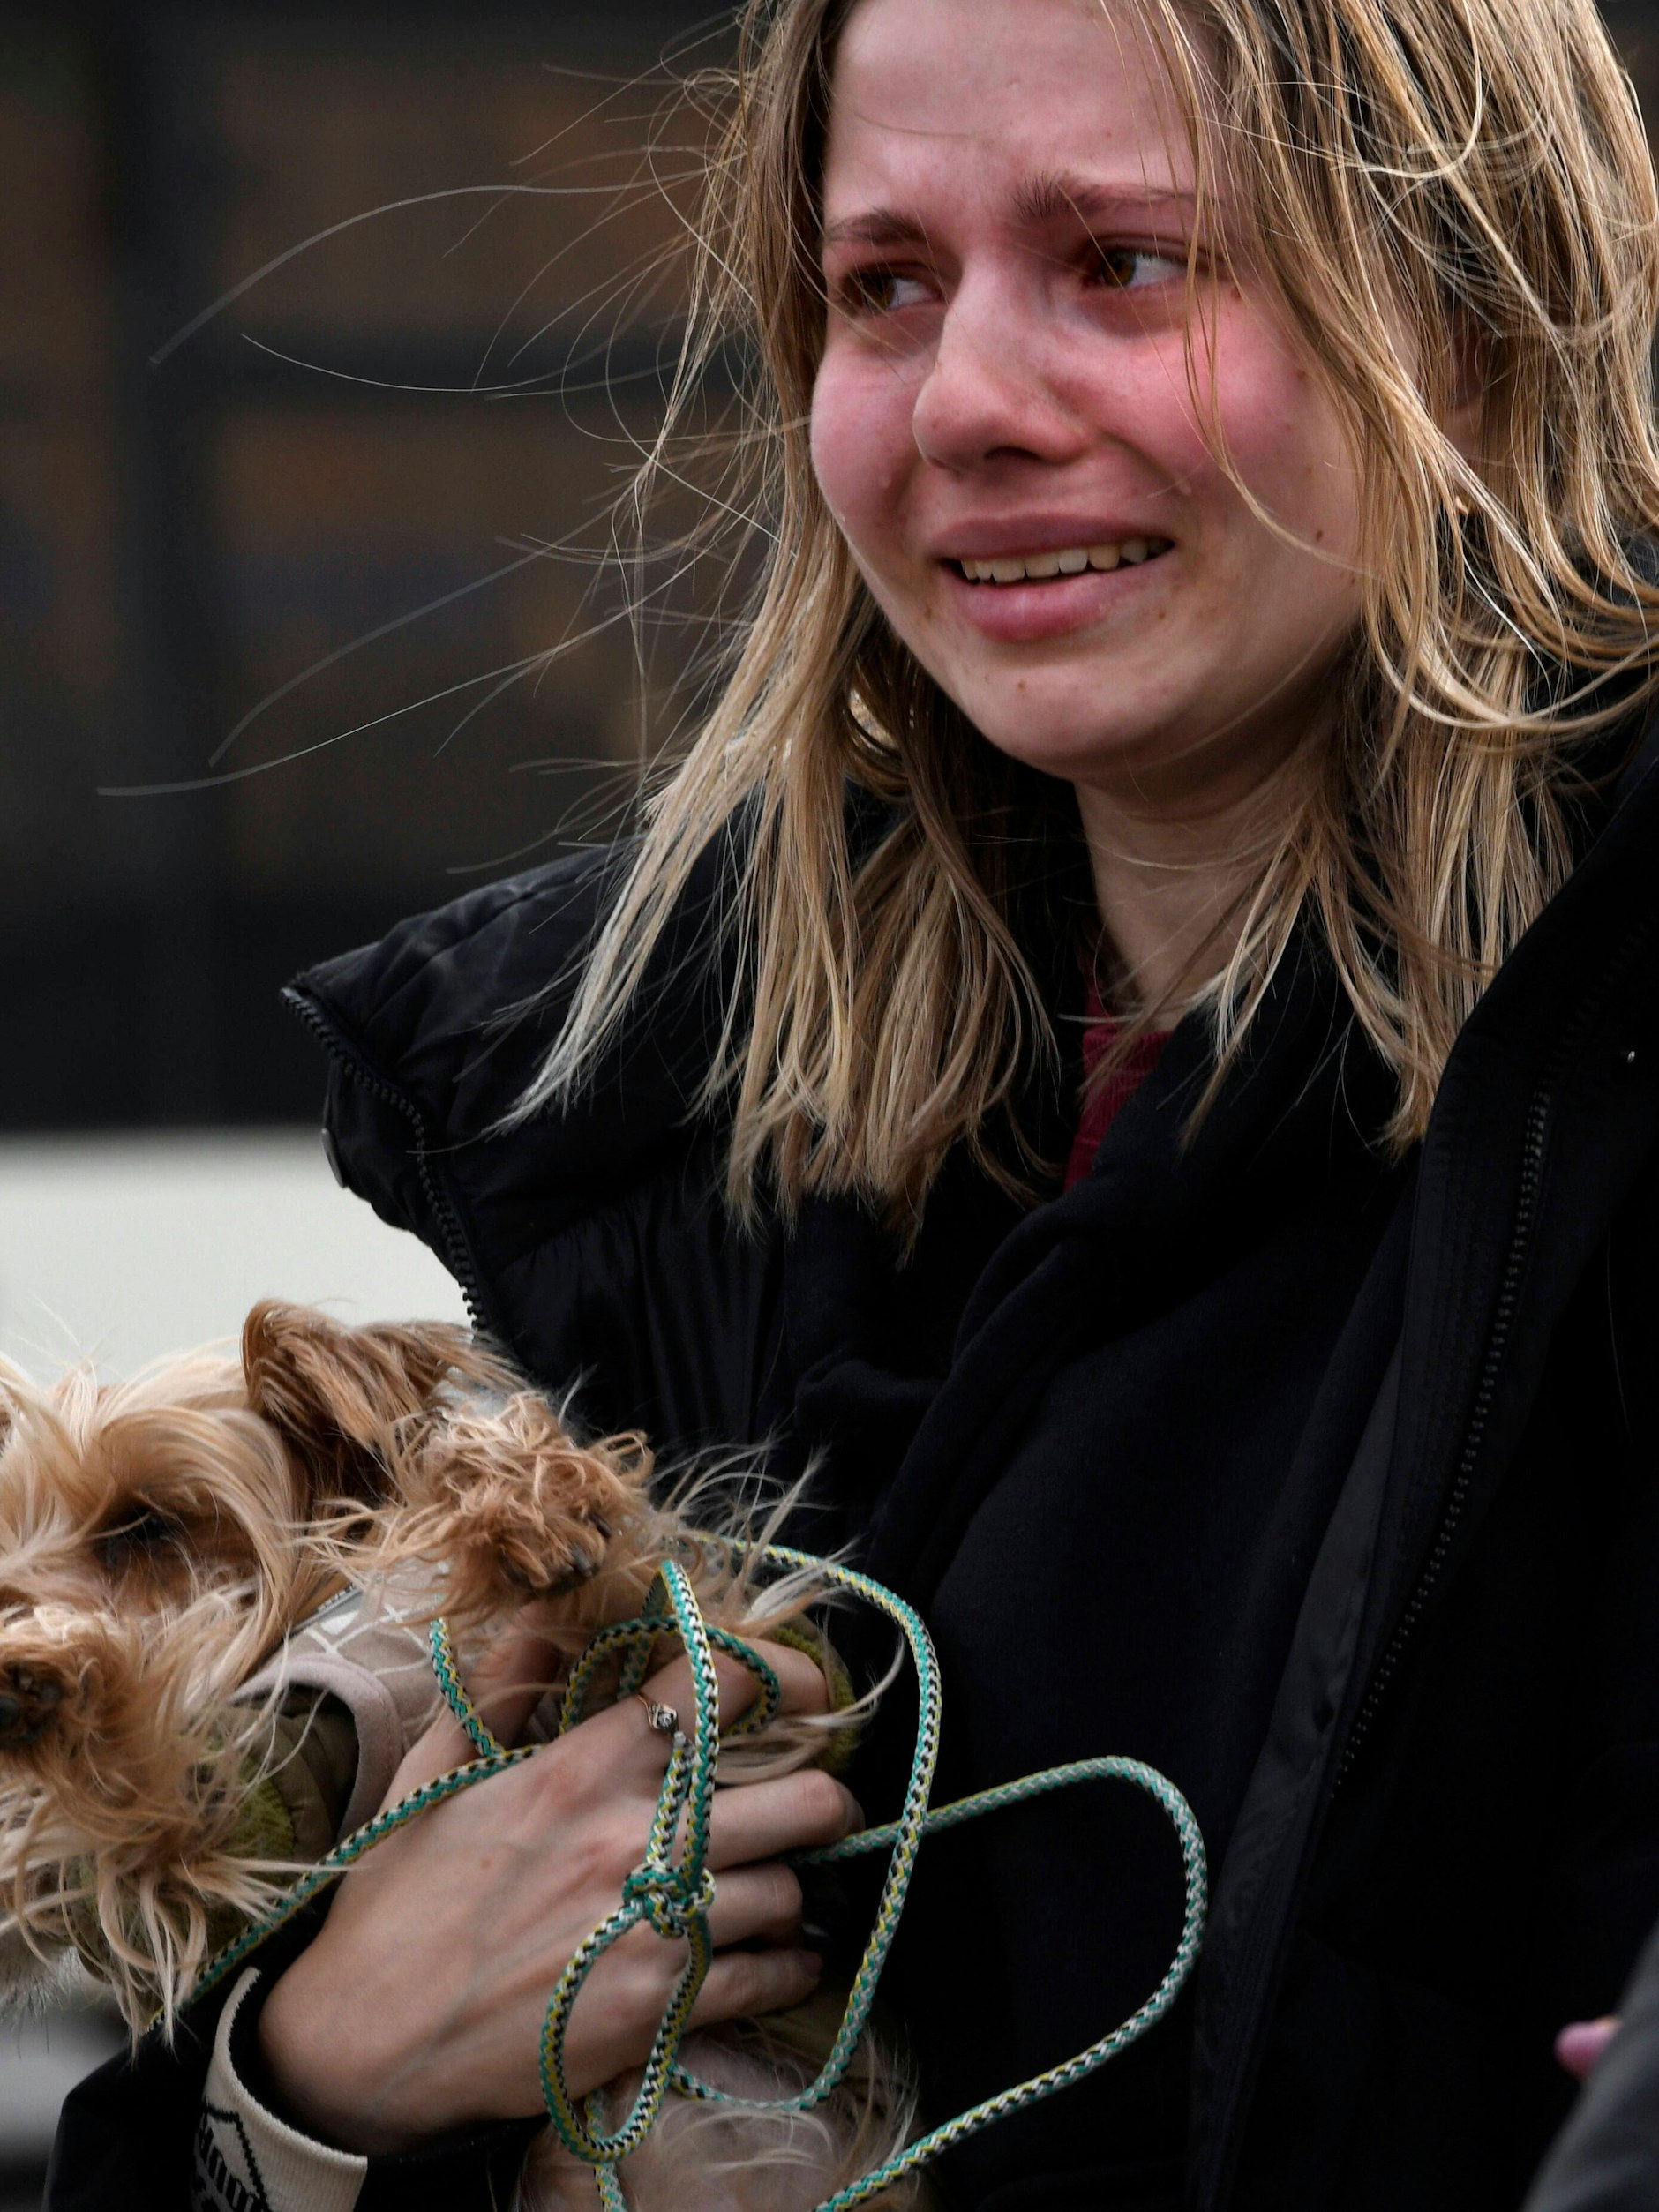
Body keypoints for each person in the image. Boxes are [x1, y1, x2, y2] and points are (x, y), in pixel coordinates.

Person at [43, 0, 1659, 2207]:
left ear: (1469, 322)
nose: (969, 402)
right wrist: (313, 2082)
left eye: (1126, 263)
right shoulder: (657, 1157)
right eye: (883, 286)